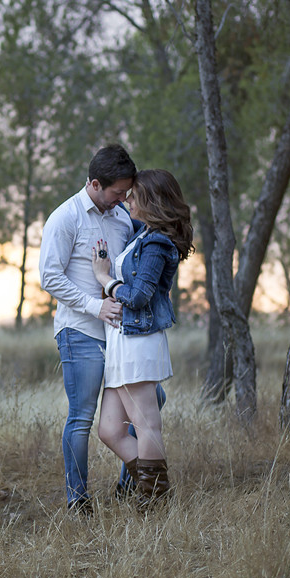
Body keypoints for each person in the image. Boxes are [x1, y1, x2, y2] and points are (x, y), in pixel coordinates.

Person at [39, 144, 137, 514]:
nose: (123, 198)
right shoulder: (65, 218)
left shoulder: (122, 217)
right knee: (82, 417)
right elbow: (49, 277)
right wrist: (95, 306)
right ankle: (78, 501)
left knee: (148, 404)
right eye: (117, 192)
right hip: (79, 331)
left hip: (120, 335)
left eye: (126, 193)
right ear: (96, 184)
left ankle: (129, 486)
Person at [91, 168, 193, 508]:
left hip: (138, 342)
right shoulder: (142, 235)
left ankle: (153, 503)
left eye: (133, 195)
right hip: (122, 341)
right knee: (110, 429)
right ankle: (157, 489)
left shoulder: (157, 243)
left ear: (150, 199)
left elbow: (139, 296)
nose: (127, 200)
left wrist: (105, 279)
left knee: (147, 424)